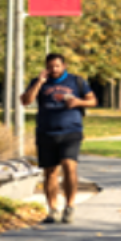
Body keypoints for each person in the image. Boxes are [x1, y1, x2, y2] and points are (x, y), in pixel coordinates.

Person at [21, 53, 97, 224]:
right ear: (46, 67)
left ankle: (70, 207)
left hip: (71, 131)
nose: (54, 69)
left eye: (57, 66)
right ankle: (53, 210)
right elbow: (25, 101)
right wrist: (39, 82)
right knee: (50, 172)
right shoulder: (38, 81)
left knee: (69, 166)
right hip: (46, 133)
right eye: (50, 66)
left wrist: (78, 102)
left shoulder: (76, 81)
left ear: (64, 66)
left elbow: (92, 101)